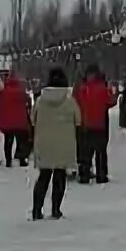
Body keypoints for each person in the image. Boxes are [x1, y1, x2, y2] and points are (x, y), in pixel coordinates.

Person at [31, 68, 79, 220]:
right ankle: (56, 210)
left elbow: (32, 119)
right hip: (64, 144)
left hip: (43, 143)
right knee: (59, 176)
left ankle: (37, 210)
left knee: (43, 177)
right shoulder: (70, 100)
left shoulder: (40, 100)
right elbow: (78, 120)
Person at [73, 64, 117, 184]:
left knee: (85, 151)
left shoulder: (81, 88)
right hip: (100, 124)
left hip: (84, 124)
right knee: (101, 151)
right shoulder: (103, 87)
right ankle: (101, 175)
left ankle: (84, 174)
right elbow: (111, 101)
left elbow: (74, 101)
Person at [0, 74, 33, 167]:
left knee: (8, 141)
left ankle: (8, 160)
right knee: (20, 141)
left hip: (7, 122)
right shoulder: (21, 92)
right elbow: (28, 100)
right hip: (20, 122)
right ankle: (21, 160)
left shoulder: (2, 92)